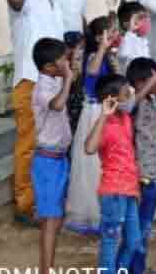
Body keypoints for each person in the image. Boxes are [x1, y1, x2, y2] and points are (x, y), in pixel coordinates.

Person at [8, 0, 65, 223]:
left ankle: (45, 201)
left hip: (52, 79)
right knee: (29, 145)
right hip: (30, 81)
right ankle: (25, 205)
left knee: (50, 144)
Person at [66, 15, 120, 236]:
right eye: (110, 32)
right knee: (93, 165)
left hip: (105, 109)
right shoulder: (93, 57)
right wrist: (101, 49)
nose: (115, 35)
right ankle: (94, 212)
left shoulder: (108, 56)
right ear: (99, 37)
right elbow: (92, 72)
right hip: (95, 113)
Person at [85, 74, 141, 274]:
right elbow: (90, 148)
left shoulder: (126, 119)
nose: (131, 96)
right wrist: (104, 115)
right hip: (113, 191)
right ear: (111, 98)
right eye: (127, 93)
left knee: (134, 241)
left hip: (129, 190)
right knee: (110, 243)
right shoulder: (105, 125)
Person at [30, 37, 74, 274]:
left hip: (58, 159)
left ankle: (48, 267)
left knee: (55, 219)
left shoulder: (54, 81)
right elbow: (57, 105)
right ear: (49, 67)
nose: (67, 64)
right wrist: (67, 79)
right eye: (63, 61)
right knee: (50, 220)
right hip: (47, 161)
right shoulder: (42, 88)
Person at [127, 57, 156, 274]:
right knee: (137, 227)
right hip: (140, 175)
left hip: (152, 172)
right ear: (141, 83)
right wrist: (141, 91)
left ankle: (139, 268)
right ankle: (132, 268)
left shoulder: (152, 101)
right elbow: (128, 107)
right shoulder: (133, 103)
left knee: (144, 226)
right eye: (155, 76)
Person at [117, 1, 151, 73]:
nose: (146, 21)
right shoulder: (126, 40)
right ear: (127, 24)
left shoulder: (144, 41)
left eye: (146, 17)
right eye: (140, 18)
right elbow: (123, 55)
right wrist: (130, 30)